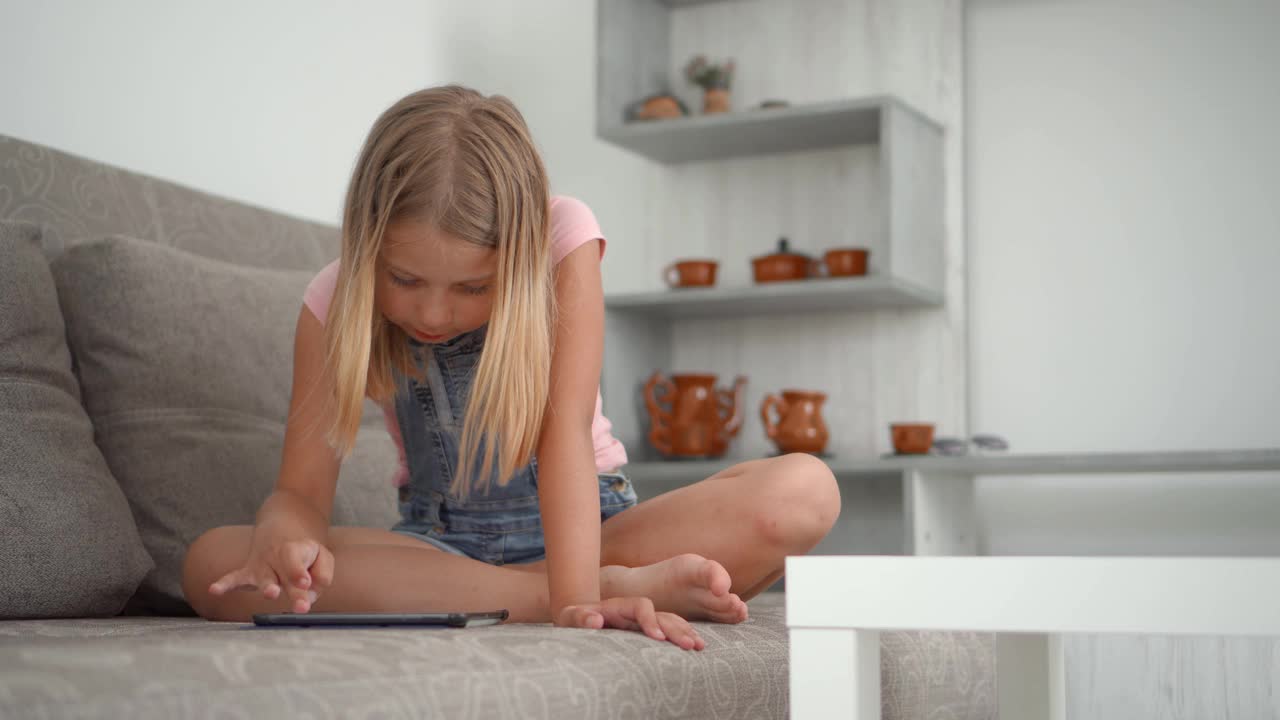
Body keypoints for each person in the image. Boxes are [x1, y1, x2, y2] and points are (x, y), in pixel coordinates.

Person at [182, 85, 840, 650]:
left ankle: (554, 590)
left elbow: (565, 438)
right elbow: (301, 494)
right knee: (209, 562)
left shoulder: (563, 239)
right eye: (405, 279)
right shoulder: (331, 302)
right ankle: (557, 595)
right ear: (365, 244)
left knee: (806, 492)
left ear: (519, 254)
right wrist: (284, 537)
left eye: (473, 288)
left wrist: (578, 592)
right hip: (441, 549)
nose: (434, 314)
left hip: (593, 531)